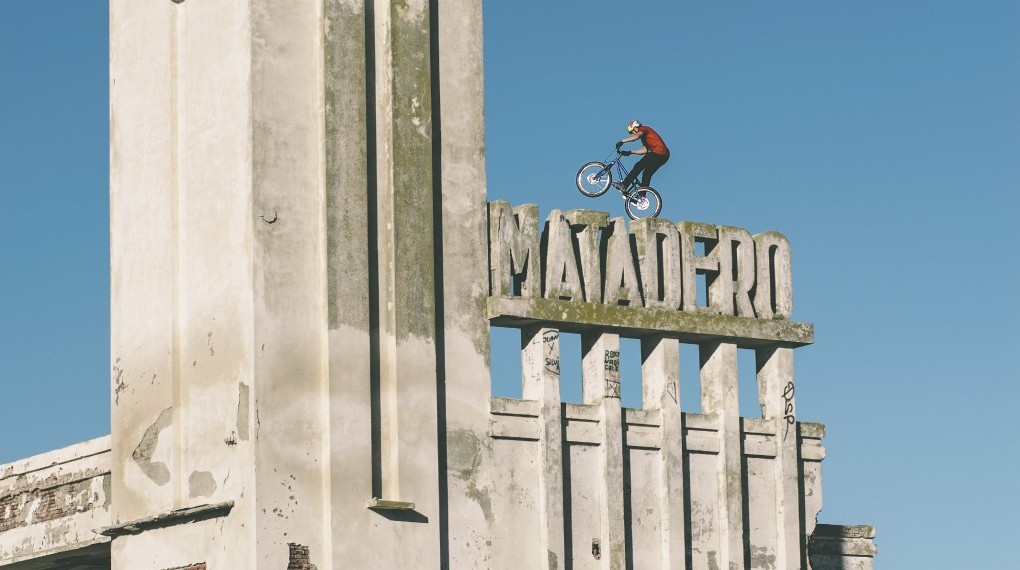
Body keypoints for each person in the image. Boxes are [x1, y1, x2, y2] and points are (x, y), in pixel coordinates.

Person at [613, 120, 670, 197]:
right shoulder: (644, 137)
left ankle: (624, 185)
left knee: (638, 165)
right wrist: (630, 152)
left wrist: (622, 141)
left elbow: (636, 137)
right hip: (664, 156)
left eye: (631, 132)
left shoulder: (643, 128)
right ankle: (642, 196)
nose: (632, 134)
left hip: (658, 152)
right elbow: (645, 150)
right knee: (646, 174)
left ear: (635, 128)